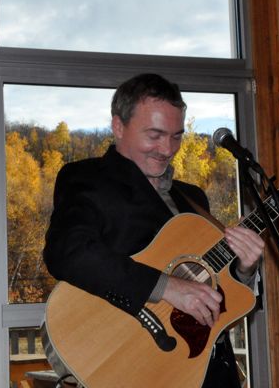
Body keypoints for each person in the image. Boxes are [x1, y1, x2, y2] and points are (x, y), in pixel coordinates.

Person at [43, 73, 265, 387]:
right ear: (118, 127)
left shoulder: (192, 199)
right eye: (155, 135)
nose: (167, 148)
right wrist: (167, 288)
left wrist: (244, 268)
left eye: (176, 136)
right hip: (132, 369)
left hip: (205, 370)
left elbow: (214, 293)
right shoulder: (87, 178)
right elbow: (68, 253)